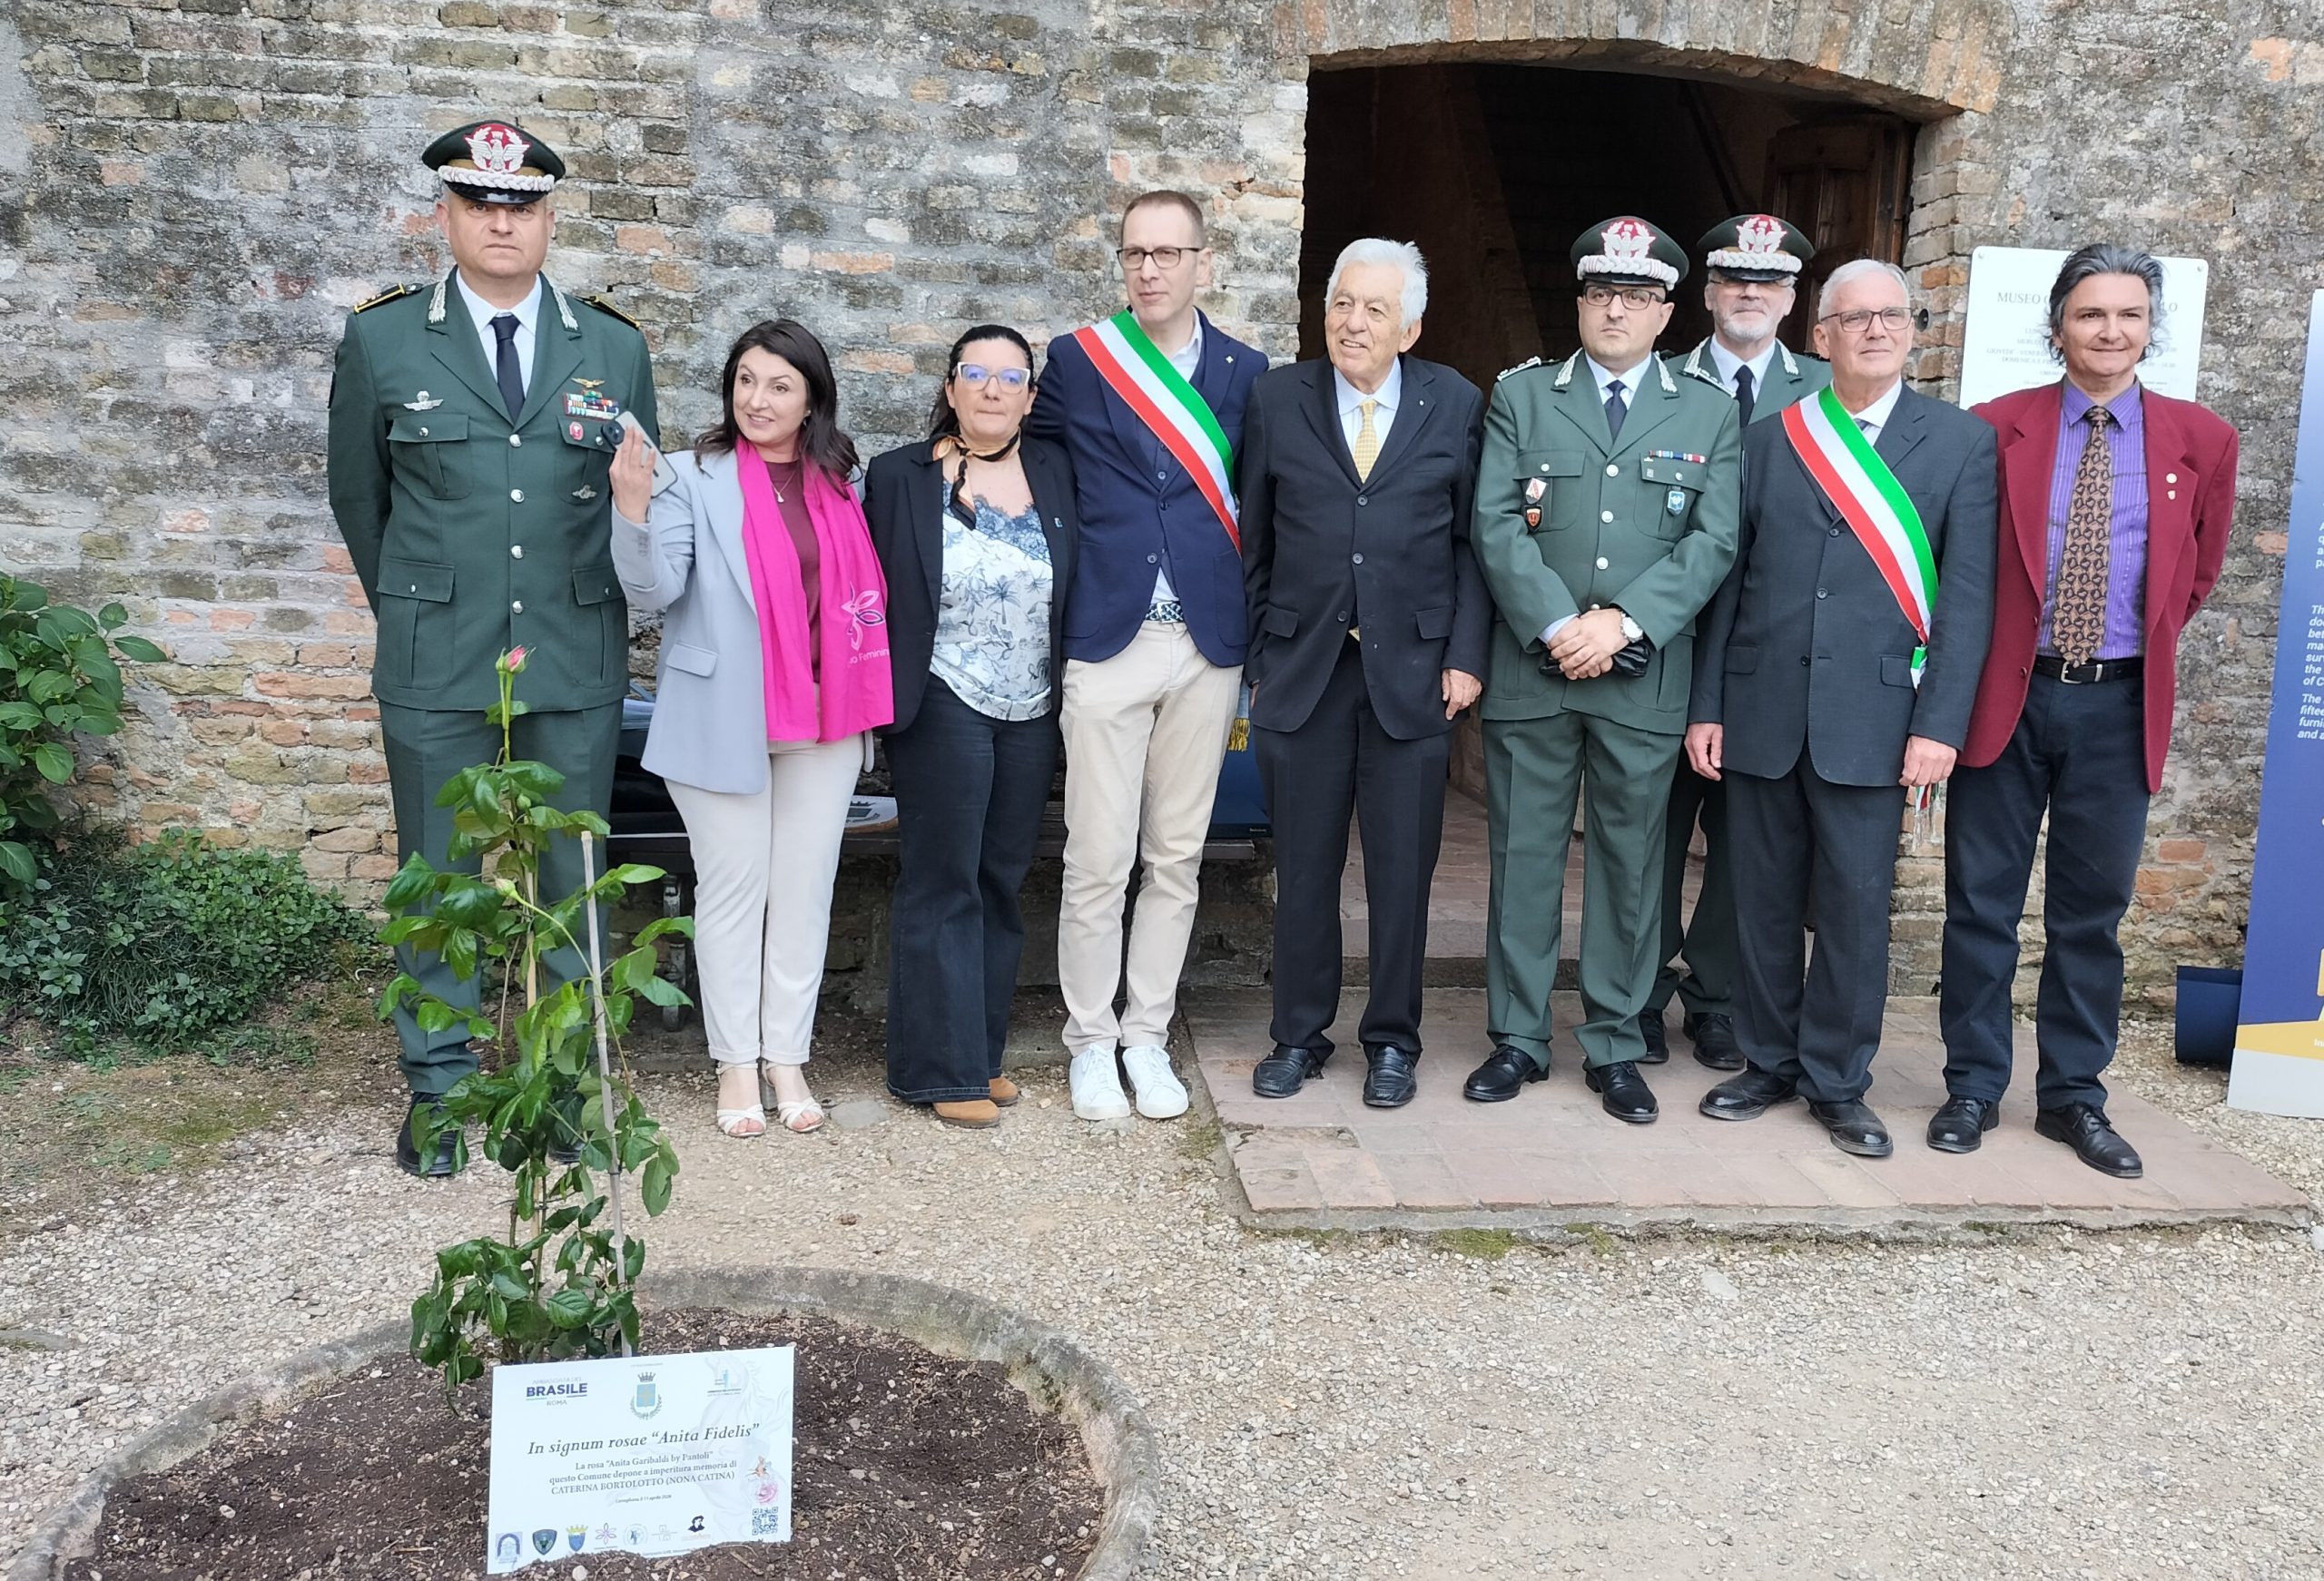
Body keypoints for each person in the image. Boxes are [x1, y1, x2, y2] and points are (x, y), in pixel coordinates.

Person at [327, 120, 658, 1178]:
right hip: (438, 650)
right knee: (438, 876)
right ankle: (437, 1091)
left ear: (549, 220)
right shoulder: (383, 341)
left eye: (521, 207)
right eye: (479, 204)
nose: (500, 223)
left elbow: (635, 501)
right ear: (446, 217)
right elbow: (361, 501)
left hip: (572, 645)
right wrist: (423, 603)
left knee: (571, 875)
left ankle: (562, 1091)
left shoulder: (612, 346)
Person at [1937, 245, 2239, 1175]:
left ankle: (2072, 1096)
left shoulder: (2201, 440)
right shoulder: (1994, 429)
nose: (2111, 331)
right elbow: (1963, 569)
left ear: (2150, 327)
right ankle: (1972, 1085)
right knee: (1980, 906)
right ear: (2058, 326)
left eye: (2129, 315)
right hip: (2009, 697)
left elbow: (2194, 577)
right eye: (2091, 314)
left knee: (2089, 916)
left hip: (2118, 706)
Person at [1691, 259, 1997, 1157]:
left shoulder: (1961, 443)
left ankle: (1836, 1080)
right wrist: (1707, 705)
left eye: (1891, 316)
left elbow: (1967, 600)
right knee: (1759, 900)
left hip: (1877, 717)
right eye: (1854, 318)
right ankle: (1767, 1060)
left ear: (1913, 331)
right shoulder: (1768, 439)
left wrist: (1939, 725)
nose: (1874, 330)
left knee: (1857, 910)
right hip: (1762, 708)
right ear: (1819, 336)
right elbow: (1729, 585)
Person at [1464, 217, 1742, 1124]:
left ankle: (1616, 1042)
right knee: (1525, 858)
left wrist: (1622, 622)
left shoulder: (1708, 410)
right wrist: (1558, 625)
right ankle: (1517, 1036)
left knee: (1632, 867)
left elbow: (1714, 540)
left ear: (1666, 312)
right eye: (1599, 294)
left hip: (1641, 676)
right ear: (1579, 303)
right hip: (1534, 669)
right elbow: (1495, 523)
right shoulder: (1523, 396)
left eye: (1635, 296)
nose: (1615, 310)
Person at [607, 320, 892, 1138]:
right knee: (734, 891)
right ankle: (735, 1063)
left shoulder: (840, 481)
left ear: (811, 401)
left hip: (826, 714)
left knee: (803, 894)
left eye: (779, 386)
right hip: (721, 714)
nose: (757, 400)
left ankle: (787, 1059)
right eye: (745, 381)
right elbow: (654, 592)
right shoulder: (690, 476)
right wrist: (631, 507)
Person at [1029, 190, 1266, 1123]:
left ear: (1205, 261)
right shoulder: (1080, 360)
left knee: (1176, 856)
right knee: (1096, 855)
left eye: (1169, 253)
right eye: (1135, 253)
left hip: (1206, 642)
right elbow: (1034, 469)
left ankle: (1148, 1035)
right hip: (1108, 634)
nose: (1150, 269)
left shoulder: (1248, 371)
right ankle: (1090, 1042)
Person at [1240, 239, 1488, 1107]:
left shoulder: (1455, 401)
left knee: (1401, 874)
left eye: (1375, 309)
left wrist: (1465, 655)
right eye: (1342, 303)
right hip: (1303, 670)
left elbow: (1473, 542)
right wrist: (1261, 655)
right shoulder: (1276, 398)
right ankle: (1297, 1035)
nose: (1353, 322)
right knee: (1305, 869)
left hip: (1413, 675)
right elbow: (1253, 537)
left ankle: (1392, 1042)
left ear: (1409, 328)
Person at [865, 327, 1078, 1128]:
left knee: (999, 880)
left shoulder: (1058, 472)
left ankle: (979, 1056)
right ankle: (935, 1070)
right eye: (976, 373)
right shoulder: (899, 476)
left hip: (1033, 706)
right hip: (942, 695)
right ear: (951, 388)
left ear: (1030, 397)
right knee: (943, 878)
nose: (993, 388)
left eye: (1010, 377)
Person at [1649, 213, 1832, 1073]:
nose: (1750, 294)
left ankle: (1716, 997)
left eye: (1769, 282)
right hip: (1665, 644)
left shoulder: (1829, 390)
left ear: (1793, 299)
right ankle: (1637, 990)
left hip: (1768, 654)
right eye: (1733, 280)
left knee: (1742, 841)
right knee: (1648, 833)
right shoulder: (1657, 380)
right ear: (1708, 292)